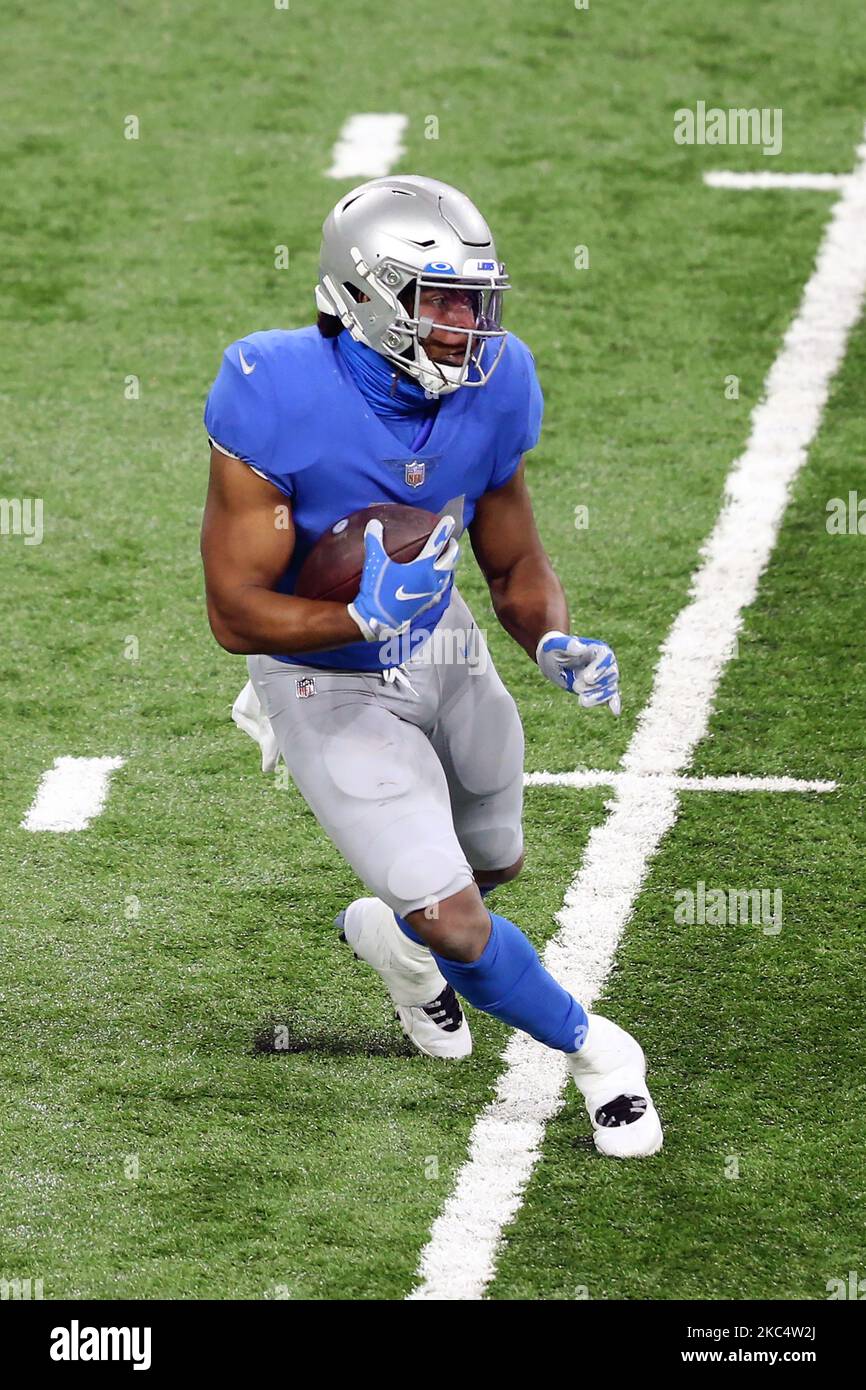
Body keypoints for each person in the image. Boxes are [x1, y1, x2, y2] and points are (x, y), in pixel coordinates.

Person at [200, 175, 662, 1158]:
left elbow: (512, 556)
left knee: (493, 861)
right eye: (441, 299)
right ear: (362, 294)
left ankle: (394, 944)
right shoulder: (270, 388)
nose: (466, 325)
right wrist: (354, 613)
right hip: (321, 674)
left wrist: (548, 637)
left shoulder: (499, 383)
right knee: (457, 919)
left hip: (440, 638)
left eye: (476, 300)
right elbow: (233, 611)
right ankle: (598, 1054)